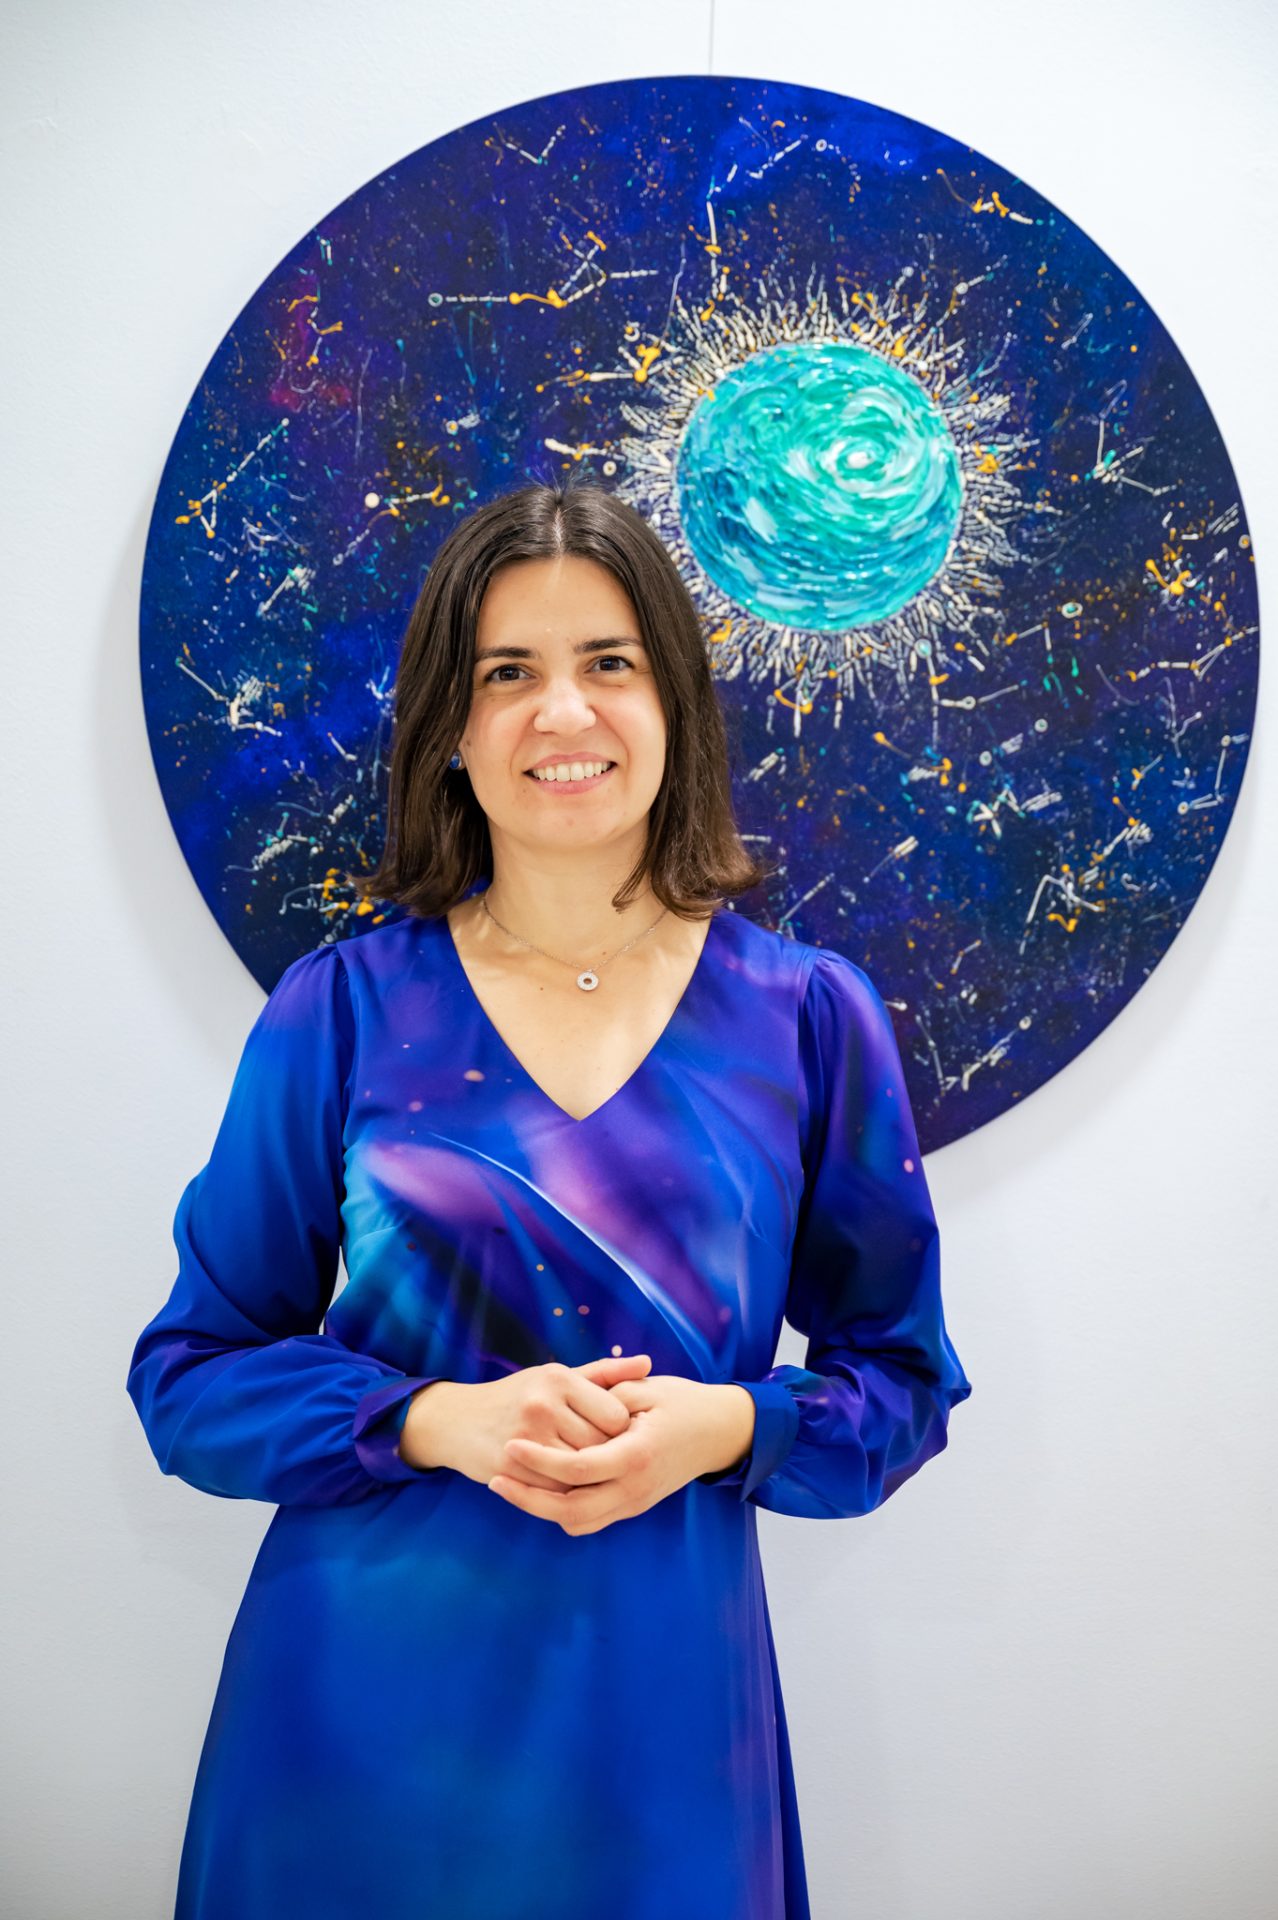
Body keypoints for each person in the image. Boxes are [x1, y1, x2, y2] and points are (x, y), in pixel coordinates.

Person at [126, 479, 972, 1920]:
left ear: (675, 703)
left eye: (608, 662)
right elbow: (189, 1378)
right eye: (505, 672)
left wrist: (727, 1426)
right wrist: (432, 1420)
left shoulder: (809, 1017)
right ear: (449, 729)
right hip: (349, 1732)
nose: (561, 712)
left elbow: (900, 1383)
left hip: (663, 1729)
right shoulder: (339, 1010)